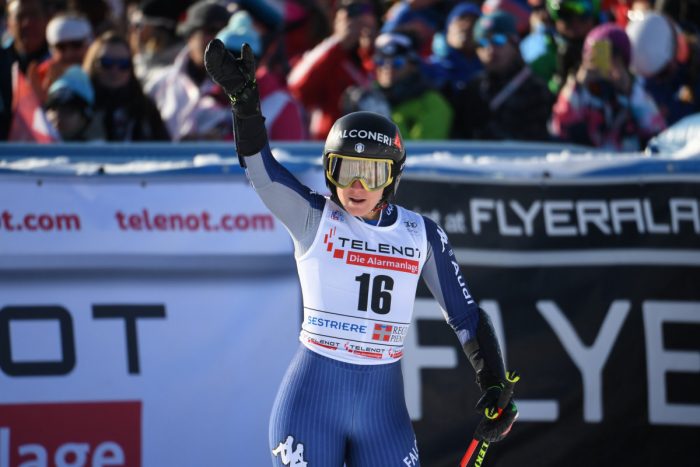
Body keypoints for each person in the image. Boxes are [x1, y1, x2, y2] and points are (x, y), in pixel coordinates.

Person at [204, 38, 518, 466]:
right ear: (330, 172)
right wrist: (244, 105)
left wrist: (495, 383)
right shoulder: (313, 218)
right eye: (346, 170)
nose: (357, 187)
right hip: (311, 405)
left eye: (371, 174)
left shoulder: (420, 234)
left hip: (382, 413)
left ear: (392, 179)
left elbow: (465, 316)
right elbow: (261, 170)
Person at [550, 23, 666, 150]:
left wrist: (630, 91)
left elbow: (658, 134)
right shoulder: (581, 93)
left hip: (628, 165)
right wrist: (577, 85)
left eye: (615, 55)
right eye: (598, 55)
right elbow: (558, 128)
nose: (609, 62)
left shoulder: (633, 93)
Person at [451, 11, 553, 141]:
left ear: (514, 43)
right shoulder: (472, 89)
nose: (490, 49)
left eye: (498, 40)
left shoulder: (536, 89)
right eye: (482, 43)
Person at [288, 0, 378, 140]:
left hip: (373, 145)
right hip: (330, 145)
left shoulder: (382, 55)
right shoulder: (326, 57)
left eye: (366, 9)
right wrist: (340, 41)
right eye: (350, 12)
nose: (359, 19)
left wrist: (370, 49)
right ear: (336, 19)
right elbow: (297, 88)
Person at [145, 0, 232, 140]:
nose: (218, 39)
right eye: (210, 30)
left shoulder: (245, 87)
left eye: (224, 32)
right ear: (190, 36)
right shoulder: (159, 84)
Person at [217, 10, 307, 141]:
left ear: (257, 63)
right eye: (226, 58)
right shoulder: (206, 101)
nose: (234, 66)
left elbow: (289, 159)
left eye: (243, 59)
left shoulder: (281, 106)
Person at [83, 31, 170, 141]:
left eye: (123, 64)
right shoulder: (79, 105)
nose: (115, 70)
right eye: (106, 63)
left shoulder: (145, 109)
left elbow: (163, 147)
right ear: (93, 65)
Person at [371, 31, 453, 139]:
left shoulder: (432, 103)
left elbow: (423, 151)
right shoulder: (366, 98)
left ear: (412, 65)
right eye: (381, 61)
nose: (388, 68)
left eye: (397, 62)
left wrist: (386, 118)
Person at [29, 12, 93, 104]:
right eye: (61, 47)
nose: (69, 54)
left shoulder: (107, 68)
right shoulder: (40, 76)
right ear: (52, 49)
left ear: (88, 44)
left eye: (76, 45)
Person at [44, 65, 103, 141]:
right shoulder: (35, 150)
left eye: (68, 110)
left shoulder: (98, 151)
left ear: (84, 118)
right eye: (53, 108)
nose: (58, 116)